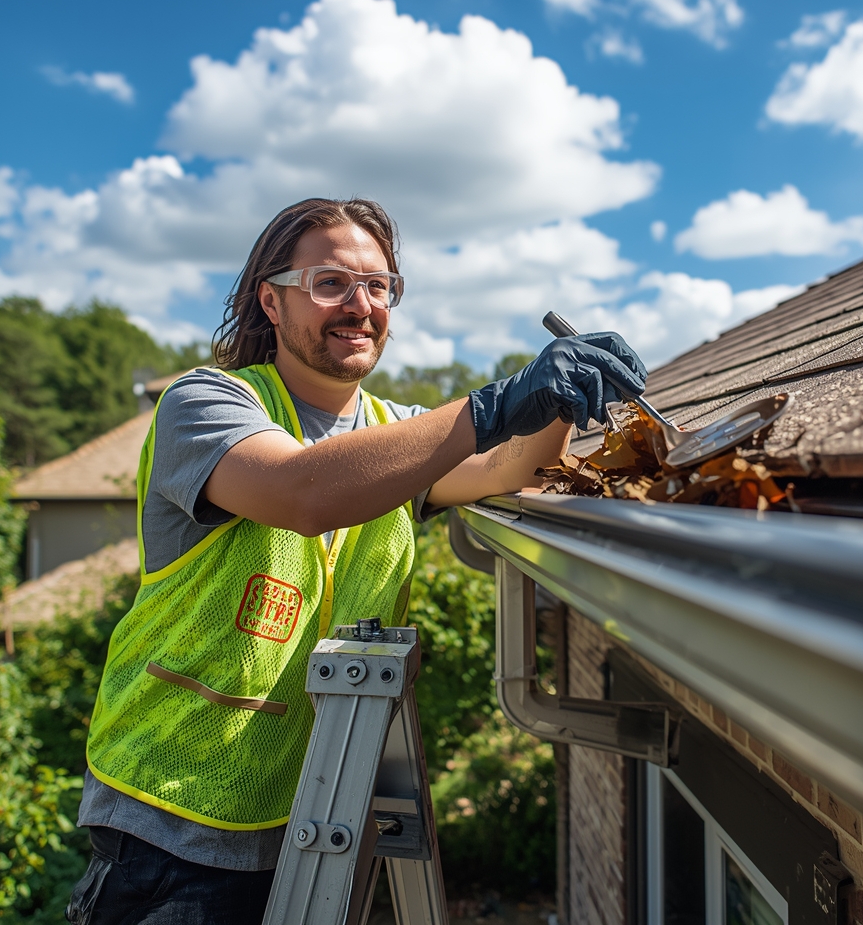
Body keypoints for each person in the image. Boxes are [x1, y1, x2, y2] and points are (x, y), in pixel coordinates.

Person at [66, 197, 646, 925]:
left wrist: (560, 398)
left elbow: (505, 471)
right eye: (331, 283)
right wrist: (496, 405)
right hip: (173, 821)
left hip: (317, 814)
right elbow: (302, 490)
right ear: (270, 302)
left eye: (378, 286)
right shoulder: (206, 403)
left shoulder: (396, 431)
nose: (361, 305)